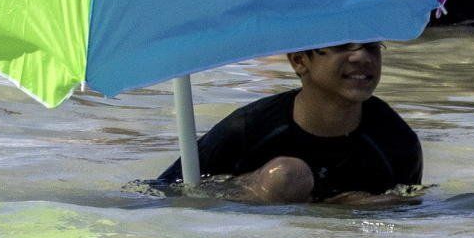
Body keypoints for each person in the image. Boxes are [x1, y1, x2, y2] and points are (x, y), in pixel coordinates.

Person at [152, 42, 421, 203]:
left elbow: (410, 216)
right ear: (299, 61)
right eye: (342, 46)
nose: (362, 57)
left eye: (372, 46)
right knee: (287, 176)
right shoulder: (250, 128)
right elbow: (161, 191)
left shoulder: (396, 140)